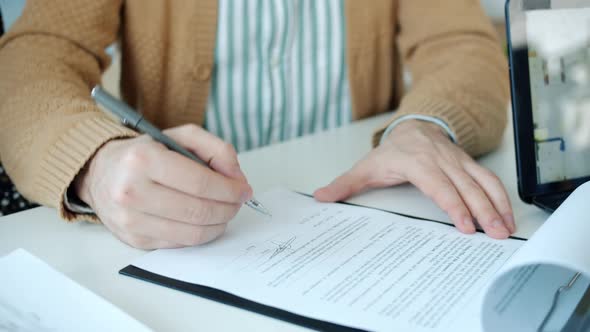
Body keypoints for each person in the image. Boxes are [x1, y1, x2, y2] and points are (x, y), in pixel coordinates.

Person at [0, 0, 513, 249]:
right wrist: (96, 162)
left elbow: (462, 45)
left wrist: (423, 126)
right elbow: (31, 61)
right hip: (173, 226)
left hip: (365, 212)